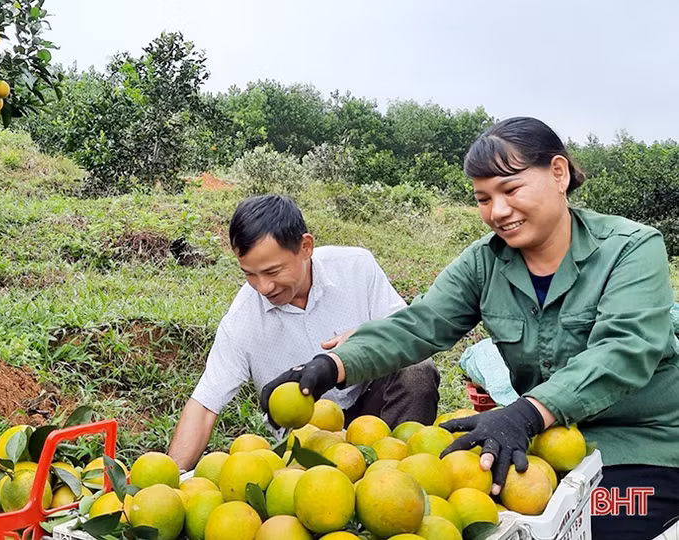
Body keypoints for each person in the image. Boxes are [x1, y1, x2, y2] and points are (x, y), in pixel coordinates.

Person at [262, 117, 679, 540]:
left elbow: (625, 349)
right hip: (541, 446)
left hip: (641, 446)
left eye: (511, 190)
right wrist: (330, 365)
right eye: (483, 198)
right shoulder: (485, 262)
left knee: (600, 528)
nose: (497, 211)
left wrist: (527, 412)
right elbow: (419, 324)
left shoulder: (631, 248)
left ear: (559, 173)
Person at [167, 194, 440, 471]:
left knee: (416, 370)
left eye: (273, 271)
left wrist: (366, 336)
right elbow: (204, 406)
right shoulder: (242, 319)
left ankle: (402, 476)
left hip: (374, 411)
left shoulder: (356, 269)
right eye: (250, 274)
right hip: (307, 434)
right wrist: (170, 480)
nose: (263, 287)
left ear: (305, 247)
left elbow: (407, 336)